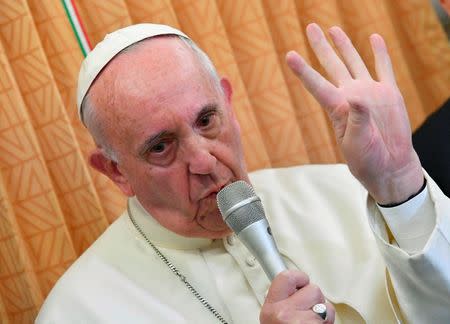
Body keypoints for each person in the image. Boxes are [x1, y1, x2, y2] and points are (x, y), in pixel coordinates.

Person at [36, 23, 450, 323]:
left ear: (228, 103)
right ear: (115, 172)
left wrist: (401, 186)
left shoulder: (347, 191)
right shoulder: (78, 309)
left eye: (206, 120)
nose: (204, 162)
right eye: (161, 147)